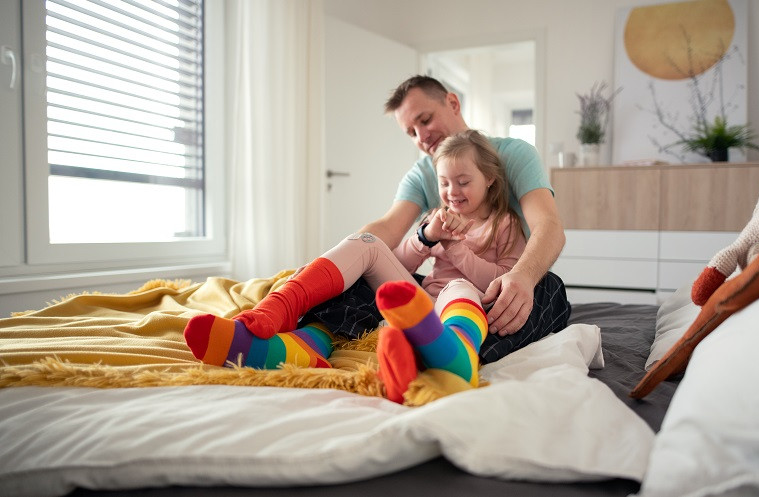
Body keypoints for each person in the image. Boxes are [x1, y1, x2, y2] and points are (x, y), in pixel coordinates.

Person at [183, 130, 525, 401]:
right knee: (368, 243)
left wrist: (455, 250)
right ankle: (282, 305)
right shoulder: (438, 217)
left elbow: (499, 282)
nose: (452, 192)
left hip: (460, 307)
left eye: (463, 182)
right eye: (444, 183)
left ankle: (451, 357)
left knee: (459, 285)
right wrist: (425, 238)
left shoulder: (504, 224)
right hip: (417, 300)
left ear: (490, 179)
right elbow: (400, 265)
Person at [303, 75, 571, 363]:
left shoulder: (513, 154)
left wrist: (523, 277)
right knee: (356, 284)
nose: (422, 137)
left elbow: (549, 226)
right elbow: (386, 229)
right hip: (441, 292)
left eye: (426, 119)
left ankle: (450, 351)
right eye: (411, 132)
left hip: (499, 287)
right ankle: (307, 334)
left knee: (550, 289)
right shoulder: (421, 174)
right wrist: (336, 263)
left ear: (453, 103)